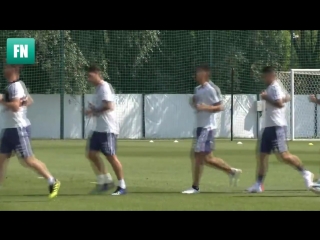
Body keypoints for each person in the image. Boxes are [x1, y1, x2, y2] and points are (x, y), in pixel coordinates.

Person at [247, 66, 314, 193]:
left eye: (265, 75)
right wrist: (278, 98)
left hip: (276, 126)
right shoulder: (274, 86)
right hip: (267, 126)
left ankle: (305, 173)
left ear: (271, 75)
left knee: (284, 156)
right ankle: (258, 184)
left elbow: (279, 104)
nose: (263, 78)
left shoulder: (274, 86)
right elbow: (287, 98)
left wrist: (267, 98)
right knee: (261, 156)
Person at [0, 64, 60, 198]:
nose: (3, 70)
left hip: (18, 128)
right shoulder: (16, 85)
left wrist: (2, 101)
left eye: (6, 67)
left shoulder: (16, 86)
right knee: (1, 159)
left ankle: (52, 180)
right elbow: (30, 101)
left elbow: (15, 107)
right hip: (9, 128)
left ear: (13, 70)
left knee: (28, 160)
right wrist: (22, 102)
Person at [182, 65, 242, 194]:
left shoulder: (211, 89)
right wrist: (194, 103)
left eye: (198, 72)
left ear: (205, 74)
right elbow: (198, 106)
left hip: (207, 128)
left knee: (198, 157)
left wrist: (206, 108)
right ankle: (231, 171)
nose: (196, 75)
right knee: (206, 159)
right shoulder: (197, 89)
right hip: (200, 127)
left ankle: (195, 187)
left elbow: (220, 107)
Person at [85, 65, 126, 196]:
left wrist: (94, 110)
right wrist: (93, 109)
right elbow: (101, 107)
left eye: (90, 76)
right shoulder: (97, 89)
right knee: (91, 154)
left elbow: (109, 106)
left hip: (108, 129)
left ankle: (122, 185)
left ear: (98, 74)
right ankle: (106, 180)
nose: (89, 79)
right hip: (99, 129)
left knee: (111, 157)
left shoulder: (104, 87)